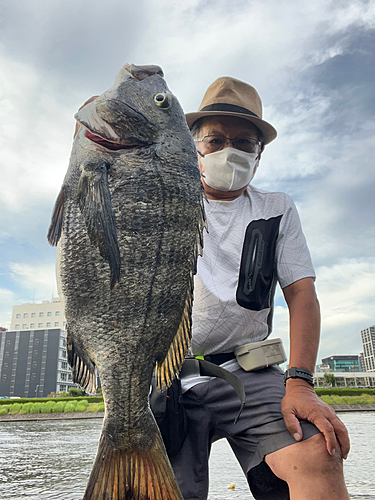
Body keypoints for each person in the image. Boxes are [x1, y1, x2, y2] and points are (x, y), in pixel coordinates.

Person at [168, 77, 350, 500]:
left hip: (248, 370)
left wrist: (301, 382)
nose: (229, 150)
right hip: (165, 373)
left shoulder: (276, 208)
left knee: (319, 453)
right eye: (215, 139)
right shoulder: (166, 199)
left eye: (245, 142)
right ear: (192, 144)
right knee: (156, 487)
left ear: (259, 153)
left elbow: (302, 293)